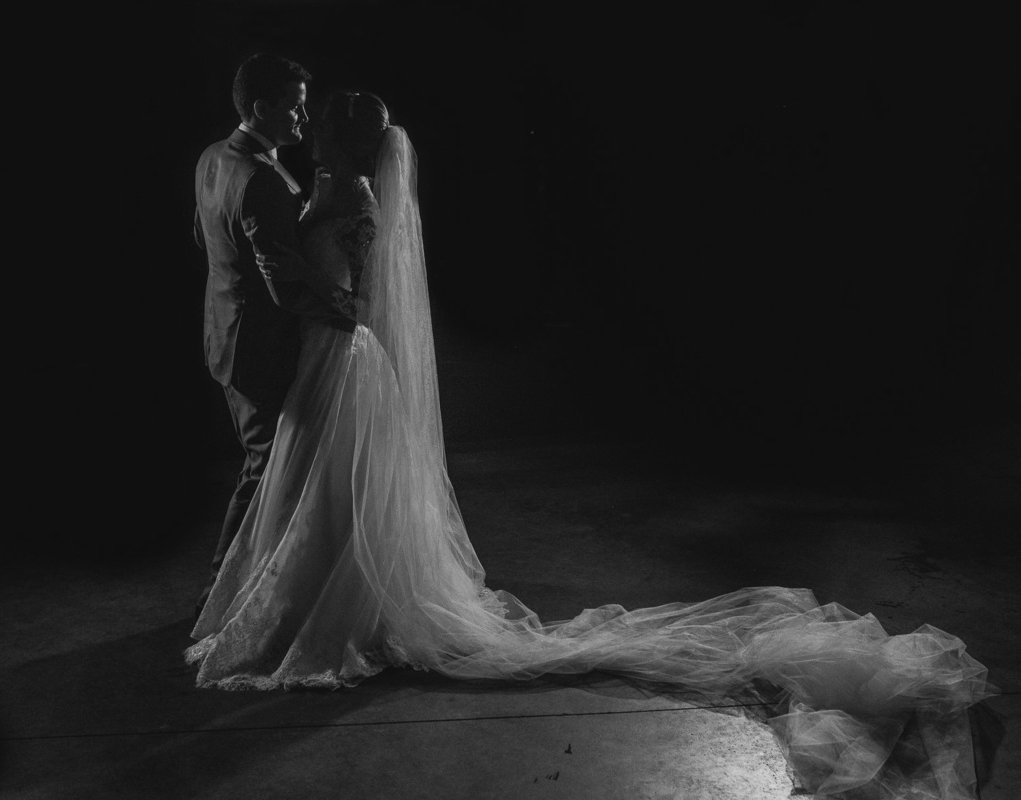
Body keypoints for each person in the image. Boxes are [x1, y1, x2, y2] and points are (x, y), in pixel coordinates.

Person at [187, 91, 995, 800]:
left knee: (330, 488)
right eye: (299, 111)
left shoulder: (354, 195)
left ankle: (337, 611)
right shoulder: (311, 180)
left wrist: (326, 309)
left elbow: (358, 293)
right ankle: (302, 595)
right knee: (315, 492)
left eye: (314, 117)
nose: (303, 124)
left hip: (344, 355)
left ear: (338, 140)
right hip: (323, 357)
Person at [192, 54, 357, 618]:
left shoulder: (213, 157)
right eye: (294, 107)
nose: (303, 120)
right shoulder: (262, 176)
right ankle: (221, 595)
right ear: (261, 108)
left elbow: (205, 239)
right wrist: (344, 311)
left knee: (268, 465)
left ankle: (260, 586)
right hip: (256, 346)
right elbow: (283, 283)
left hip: (224, 333)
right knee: (265, 469)